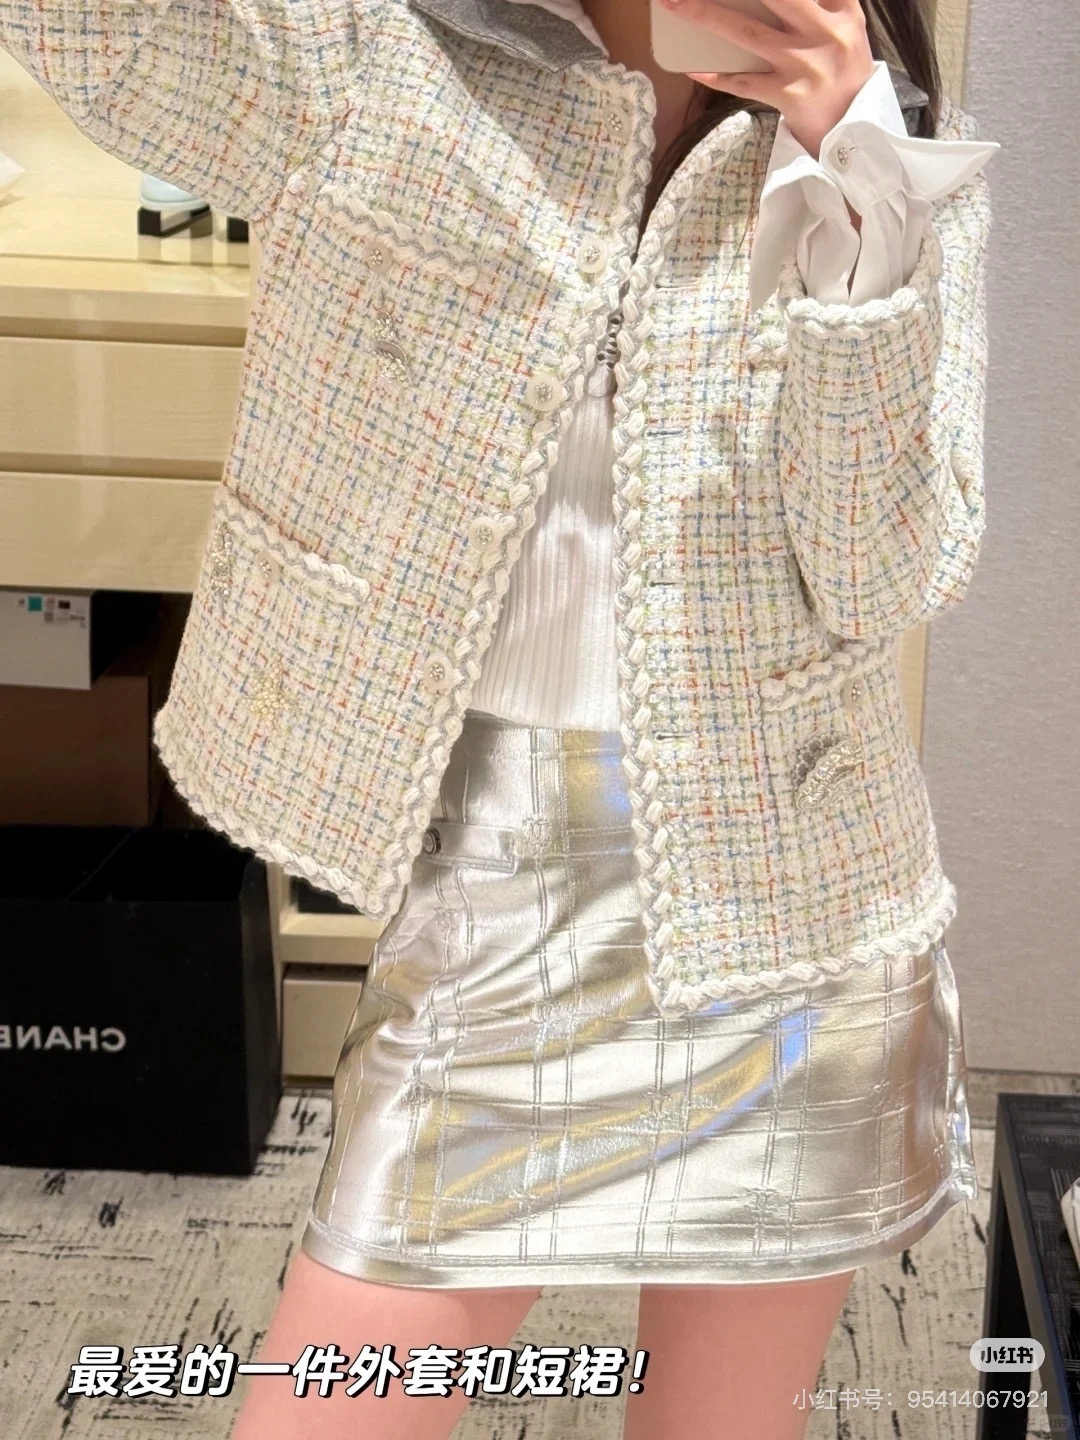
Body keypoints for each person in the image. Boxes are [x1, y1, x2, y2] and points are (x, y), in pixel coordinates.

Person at [0, 0, 999, 1436]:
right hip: (486, 906)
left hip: (789, 920)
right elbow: (89, 34)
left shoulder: (887, 141)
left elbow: (880, 572)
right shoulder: (369, 52)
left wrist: (851, 173)